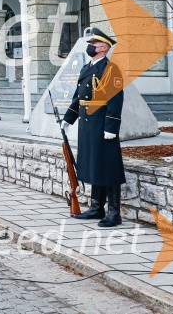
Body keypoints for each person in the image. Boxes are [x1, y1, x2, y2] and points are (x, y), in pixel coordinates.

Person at [62, 27, 126, 228]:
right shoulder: (87, 67)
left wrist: (111, 127)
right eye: (89, 44)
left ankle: (114, 213)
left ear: (104, 48)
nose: (89, 47)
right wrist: (68, 118)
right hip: (87, 123)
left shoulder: (111, 69)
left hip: (102, 124)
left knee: (108, 166)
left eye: (93, 44)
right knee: (94, 164)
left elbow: (115, 100)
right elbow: (78, 97)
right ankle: (97, 207)